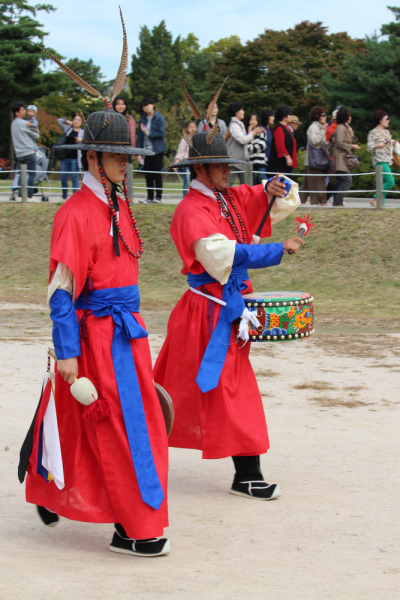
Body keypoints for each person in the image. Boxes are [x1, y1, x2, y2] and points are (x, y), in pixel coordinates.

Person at [18, 25, 170, 558]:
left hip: (130, 335)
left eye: (128, 157)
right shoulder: (74, 212)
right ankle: (132, 528)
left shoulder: (120, 203)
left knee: (134, 425)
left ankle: (65, 491)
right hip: (96, 338)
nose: (126, 164)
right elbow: (61, 292)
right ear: (92, 159)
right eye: (117, 156)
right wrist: (69, 357)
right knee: (117, 429)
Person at [154, 125, 303, 502]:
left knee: (204, 389)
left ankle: (138, 450)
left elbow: (270, 195)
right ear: (201, 170)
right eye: (222, 166)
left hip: (227, 308)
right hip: (206, 312)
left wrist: (274, 185)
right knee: (214, 389)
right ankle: (245, 474)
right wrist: (275, 250)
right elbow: (223, 254)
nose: (229, 172)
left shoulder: (228, 196)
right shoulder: (191, 210)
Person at [227, 101, 264, 186]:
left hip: (240, 161)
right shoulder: (234, 125)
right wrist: (254, 133)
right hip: (234, 161)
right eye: (242, 109)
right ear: (236, 111)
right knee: (229, 184)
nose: (243, 112)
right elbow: (243, 140)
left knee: (245, 184)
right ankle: (221, 198)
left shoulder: (239, 124)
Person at [136, 97, 166, 204]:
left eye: (148, 105)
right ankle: (149, 197)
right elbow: (140, 137)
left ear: (153, 104)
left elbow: (162, 133)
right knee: (148, 174)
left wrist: (148, 133)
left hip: (157, 150)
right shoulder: (142, 119)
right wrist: (139, 153)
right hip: (146, 151)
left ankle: (158, 197)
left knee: (157, 174)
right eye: (144, 106)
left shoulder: (159, 118)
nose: (146, 107)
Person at [367, 110, 397, 207]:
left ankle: (380, 203)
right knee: (390, 181)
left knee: (384, 182)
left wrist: (393, 144)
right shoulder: (373, 133)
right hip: (379, 160)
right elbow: (369, 148)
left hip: (387, 160)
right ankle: (376, 198)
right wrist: (377, 146)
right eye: (386, 119)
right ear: (380, 120)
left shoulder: (387, 132)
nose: (388, 121)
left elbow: (388, 146)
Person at [10, 101, 39, 200]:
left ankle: (20, 195)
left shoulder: (13, 124)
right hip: (29, 152)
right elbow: (36, 135)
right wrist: (33, 126)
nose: (24, 112)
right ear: (17, 112)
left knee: (21, 174)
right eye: (22, 110)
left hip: (19, 153)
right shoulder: (24, 123)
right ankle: (29, 196)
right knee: (31, 174)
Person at [332, 107, 360, 207]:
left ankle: (336, 201)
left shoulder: (346, 128)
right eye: (349, 115)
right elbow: (339, 142)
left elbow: (353, 140)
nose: (351, 117)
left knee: (340, 181)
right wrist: (351, 146)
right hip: (341, 158)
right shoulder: (340, 128)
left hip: (345, 158)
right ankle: (338, 201)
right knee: (347, 180)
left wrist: (352, 134)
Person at [300, 107, 329, 206]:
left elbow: (322, 144)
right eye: (323, 115)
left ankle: (301, 201)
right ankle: (322, 202)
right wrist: (323, 131)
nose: (325, 117)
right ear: (317, 116)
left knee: (307, 182)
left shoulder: (319, 127)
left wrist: (330, 142)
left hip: (312, 160)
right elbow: (314, 141)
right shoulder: (313, 127)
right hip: (314, 160)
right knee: (319, 181)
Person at [57, 114, 84, 200]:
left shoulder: (82, 132)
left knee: (74, 178)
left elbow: (88, 143)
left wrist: (81, 140)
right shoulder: (67, 129)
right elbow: (59, 120)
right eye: (75, 119)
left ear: (82, 122)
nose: (76, 121)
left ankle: (75, 198)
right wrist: (69, 122)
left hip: (75, 159)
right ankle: (64, 197)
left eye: (78, 120)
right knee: (63, 178)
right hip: (65, 158)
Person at [269, 105, 297, 174]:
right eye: (290, 114)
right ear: (284, 116)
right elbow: (280, 145)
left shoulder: (286, 128)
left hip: (285, 164)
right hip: (280, 164)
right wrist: (287, 157)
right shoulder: (279, 128)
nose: (291, 116)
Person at [174, 120, 197, 197]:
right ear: (187, 129)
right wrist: (177, 161)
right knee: (187, 181)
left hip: (196, 162)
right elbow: (181, 151)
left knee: (196, 181)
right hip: (187, 162)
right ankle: (185, 197)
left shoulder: (198, 138)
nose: (192, 129)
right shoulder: (184, 139)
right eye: (190, 127)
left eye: (194, 127)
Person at [246, 113, 267, 185]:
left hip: (260, 161)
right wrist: (249, 133)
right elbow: (246, 148)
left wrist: (250, 149)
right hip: (251, 161)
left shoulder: (262, 131)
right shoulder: (247, 133)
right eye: (251, 119)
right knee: (252, 182)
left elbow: (261, 146)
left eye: (255, 119)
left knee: (262, 180)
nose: (253, 121)